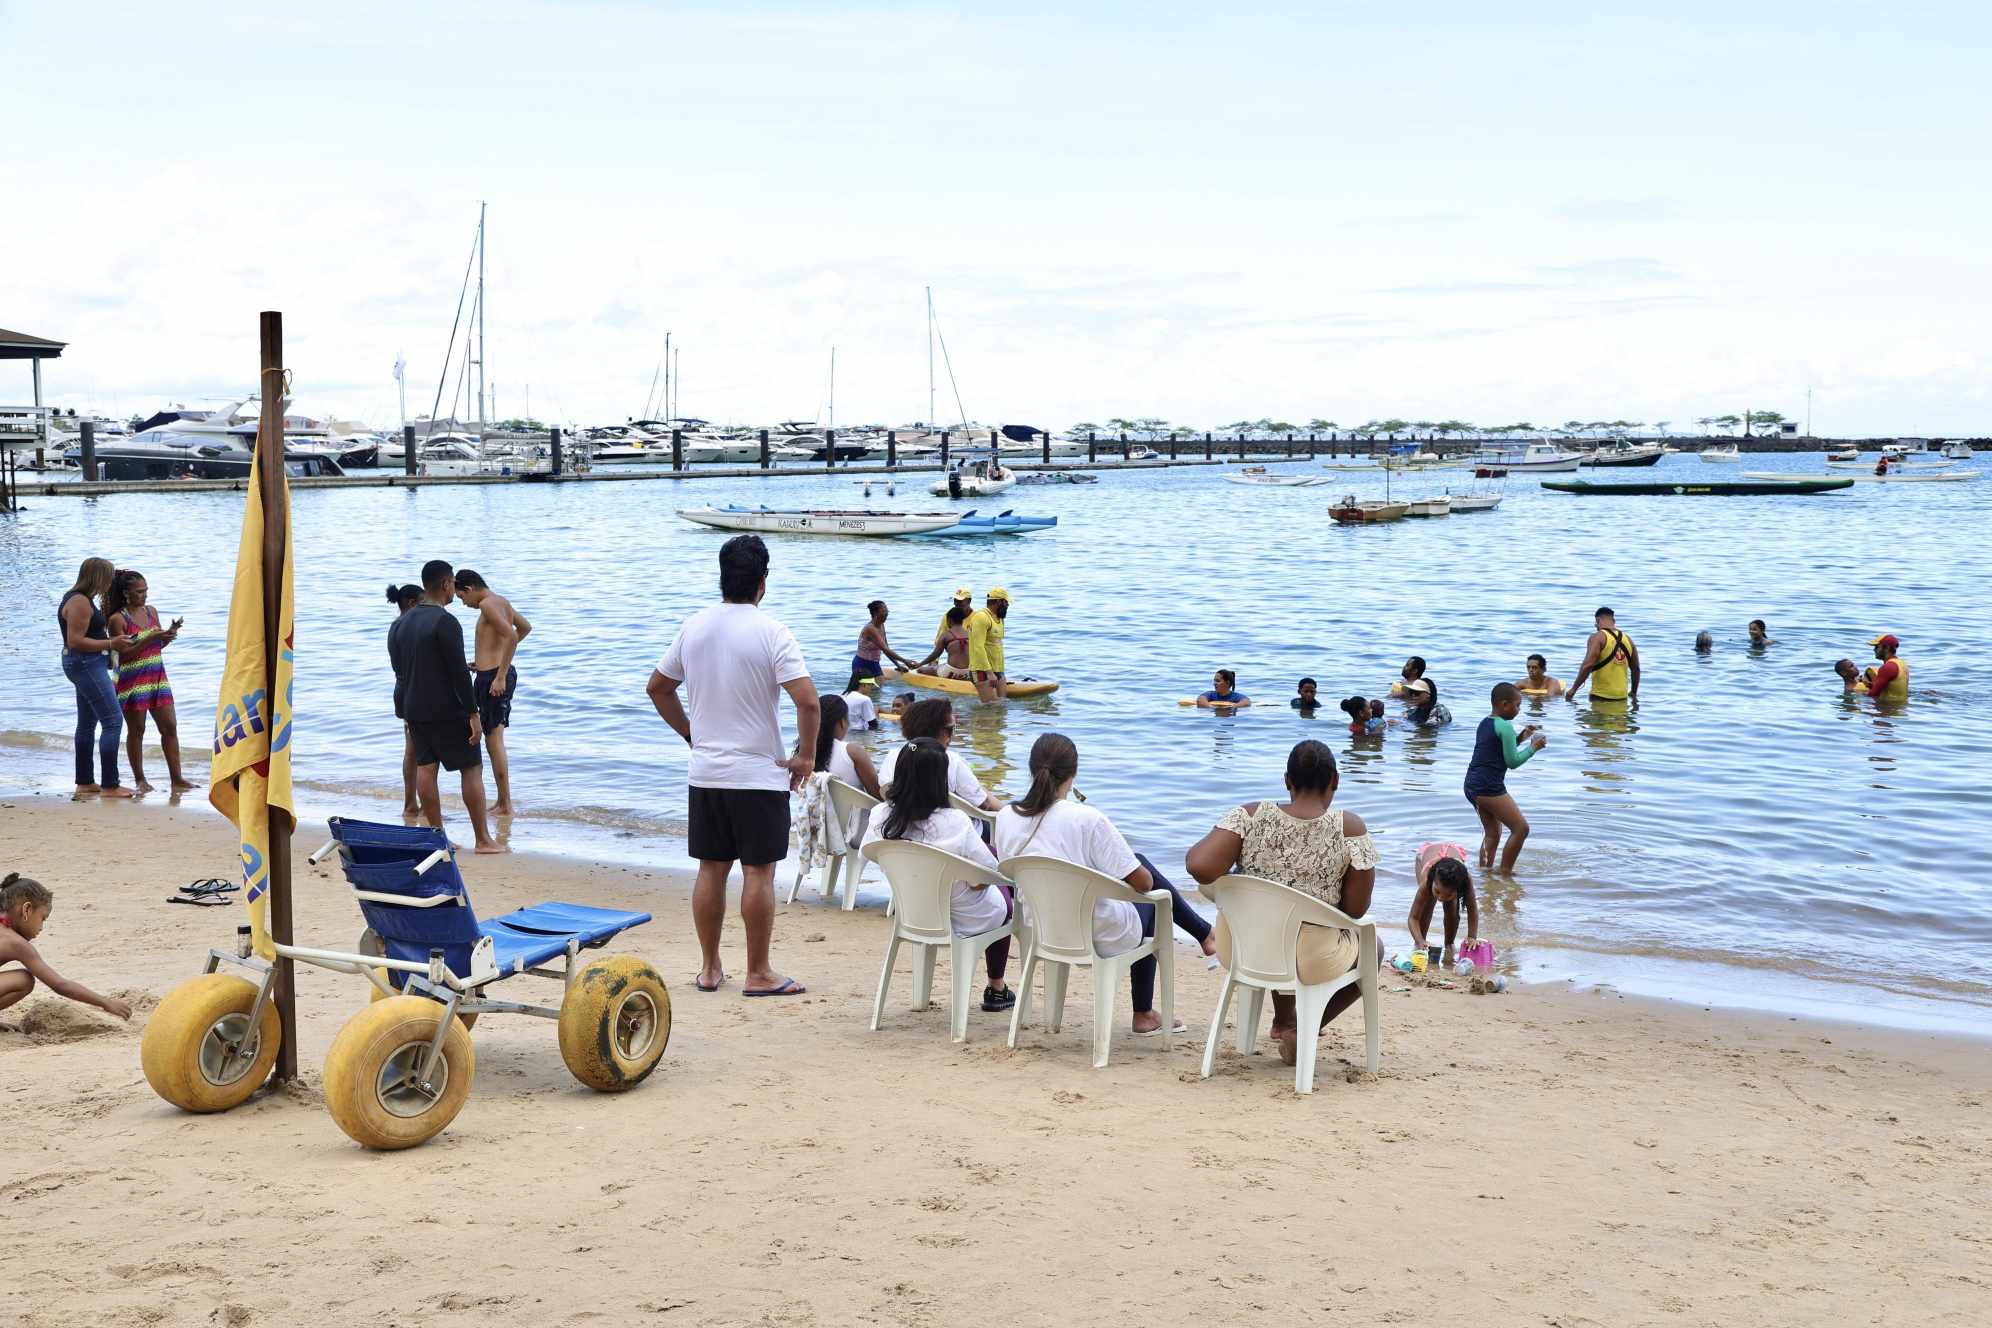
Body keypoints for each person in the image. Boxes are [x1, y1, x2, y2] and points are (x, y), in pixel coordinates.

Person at [647, 534, 819, 997]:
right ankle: (759, 972)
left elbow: (658, 688)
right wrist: (805, 756)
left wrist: (690, 734)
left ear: (723, 578)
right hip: (757, 774)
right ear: (762, 583)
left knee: (711, 868)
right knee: (758, 872)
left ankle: (708, 968)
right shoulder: (773, 631)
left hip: (706, 772)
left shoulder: (694, 626)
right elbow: (808, 701)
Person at [993, 734, 1212, 1035]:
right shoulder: (1087, 819)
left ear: (1031, 769)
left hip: (1042, 928)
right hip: (1100, 934)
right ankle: (1145, 1011)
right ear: (1073, 775)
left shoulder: (1006, 816)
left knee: (1134, 867)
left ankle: (1204, 934)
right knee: (1151, 892)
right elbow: (1143, 882)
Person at [1185, 739, 1380, 1068]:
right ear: (1335, 780)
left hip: (1243, 949)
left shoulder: (1249, 815)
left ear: (1287, 780)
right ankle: (1302, 1030)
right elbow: (1355, 911)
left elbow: (1199, 867)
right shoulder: (1349, 827)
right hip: (1311, 957)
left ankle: (1285, 1020)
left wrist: (1248, 871)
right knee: (1373, 949)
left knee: (1277, 919)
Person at [860, 737, 1015, 1012]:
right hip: (966, 915)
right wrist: (977, 880)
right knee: (1007, 895)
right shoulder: (954, 821)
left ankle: (930, 994)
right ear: (939, 779)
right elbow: (988, 875)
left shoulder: (879, 816)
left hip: (914, 912)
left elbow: (870, 853)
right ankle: (997, 987)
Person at [391, 560, 501, 854]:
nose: (454, 587)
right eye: (452, 582)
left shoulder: (401, 623)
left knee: (426, 769)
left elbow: (400, 669)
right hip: (446, 709)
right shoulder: (445, 621)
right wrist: (473, 713)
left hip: (414, 708)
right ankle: (483, 840)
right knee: (471, 768)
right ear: (444, 584)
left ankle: (437, 838)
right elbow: (457, 673)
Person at [103, 568, 192, 792]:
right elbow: (121, 656)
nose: (144, 595)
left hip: (157, 677)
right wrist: (150, 637)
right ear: (126, 593)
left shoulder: (151, 612)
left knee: (170, 727)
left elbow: (156, 646)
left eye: (146, 591)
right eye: (139, 592)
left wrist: (167, 636)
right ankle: (140, 780)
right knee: (137, 730)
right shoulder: (117, 619)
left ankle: (177, 778)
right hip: (131, 680)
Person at [0, 872, 132, 1023]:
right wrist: (105, 1002)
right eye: (42, 918)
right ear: (27, 910)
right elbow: (60, 985)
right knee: (24, 979)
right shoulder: (15, 943)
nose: (41, 927)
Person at [453, 569, 531, 817]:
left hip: (494, 678)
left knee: (494, 742)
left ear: (469, 589)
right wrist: (487, 661)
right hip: (492, 672)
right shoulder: (502, 601)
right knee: (493, 740)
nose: (464, 604)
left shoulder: (487, 604)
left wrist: (498, 674)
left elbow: (511, 636)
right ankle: (502, 802)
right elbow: (525, 628)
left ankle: (505, 804)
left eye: (462, 598)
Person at [57, 557, 135, 800]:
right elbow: (75, 640)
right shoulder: (79, 602)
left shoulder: (82, 598)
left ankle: (85, 782)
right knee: (113, 721)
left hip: (84, 663)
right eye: (109, 576)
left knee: (87, 723)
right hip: (85, 663)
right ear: (97, 577)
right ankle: (110, 785)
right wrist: (112, 643)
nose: (111, 581)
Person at [1467, 682, 1546, 874]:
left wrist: (1522, 737)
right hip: (1489, 786)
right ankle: (1505, 874)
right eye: (1517, 705)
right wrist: (1533, 748)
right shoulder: (1505, 726)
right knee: (1521, 829)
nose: (1519, 710)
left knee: (1492, 834)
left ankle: (1484, 874)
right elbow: (1512, 762)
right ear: (1503, 704)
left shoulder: (1486, 722)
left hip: (1472, 783)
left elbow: (1497, 751)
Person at [880, 698, 1000, 812]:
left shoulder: (892, 756)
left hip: (899, 823)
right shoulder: (951, 760)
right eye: (951, 729)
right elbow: (985, 805)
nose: (951, 736)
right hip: (950, 828)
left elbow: (885, 792)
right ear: (939, 731)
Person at [385, 583, 423, 816]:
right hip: (412, 691)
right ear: (411, 603)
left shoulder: (396, 626)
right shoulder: (408, 627)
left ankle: (411, 803)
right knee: (417, 751)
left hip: (403, 689)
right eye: (422, 603)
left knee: (411, 749)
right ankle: (413, 805)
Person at [1405, 843, 1477, 965]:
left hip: (1452, 863)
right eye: (1438, 892)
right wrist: (1419, 940)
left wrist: (1472, 937)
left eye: (1448, 894)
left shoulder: (1465, 881)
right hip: (1424, 857)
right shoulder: (1428, 880)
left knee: (1452, 908)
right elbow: (1413, 918)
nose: (1441, 898)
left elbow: (1472, 909)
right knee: (1427, 904)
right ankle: (1421, 944)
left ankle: (1449, 943)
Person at [1569, 606, 1639, 702]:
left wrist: (1573, 690)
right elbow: (1636, 668)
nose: (1596, 627)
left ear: (1598, 620)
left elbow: (1588, 665)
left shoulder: (1597, 637)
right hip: (1622, 698)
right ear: (1613, 620)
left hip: (1601, 697)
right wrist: (1633, 692)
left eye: (1595, 624)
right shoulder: (1628, 639)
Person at [853, 600, 917, 683]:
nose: (887, 613)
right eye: (883, 611)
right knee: (865, 690)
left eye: (887, 610)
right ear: (876, 614)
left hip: (874, 663)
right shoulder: (870, 629)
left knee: (879, 690)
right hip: (862, 663)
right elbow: (885, 649)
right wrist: (905, 661)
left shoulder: (881, 625)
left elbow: (887, 649)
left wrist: (898, 665)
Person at [966, 587, 1011, 702]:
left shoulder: (999, 618)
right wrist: (989, 673)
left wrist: (999, 672)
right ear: (998, 601)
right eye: (1006, 602)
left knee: (1002, 705)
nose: (1008, 605)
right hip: (982, 670)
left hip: (998, 669)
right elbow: (978, 647)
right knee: (991, 707)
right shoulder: (981, 617)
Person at [914, 602, 973, 679]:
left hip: (950, 672)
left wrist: (920, 664)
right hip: (967, 673)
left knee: (921, 670)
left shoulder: (946, 634)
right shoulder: (969, 634)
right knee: (940, 666)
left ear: (949, 620)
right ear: (962, 620)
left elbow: (935, 655)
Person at [1863, 632, 1909, 702]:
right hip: (1900, 707)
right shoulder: (1901, 663)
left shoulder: (1887, 667)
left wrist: (1859, 696)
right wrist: (1872, 685)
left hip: (1888, 708)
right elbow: (1894, 689)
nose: (1874, 650)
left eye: (1877, 647)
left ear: (1886, 648)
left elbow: (1873, 694)